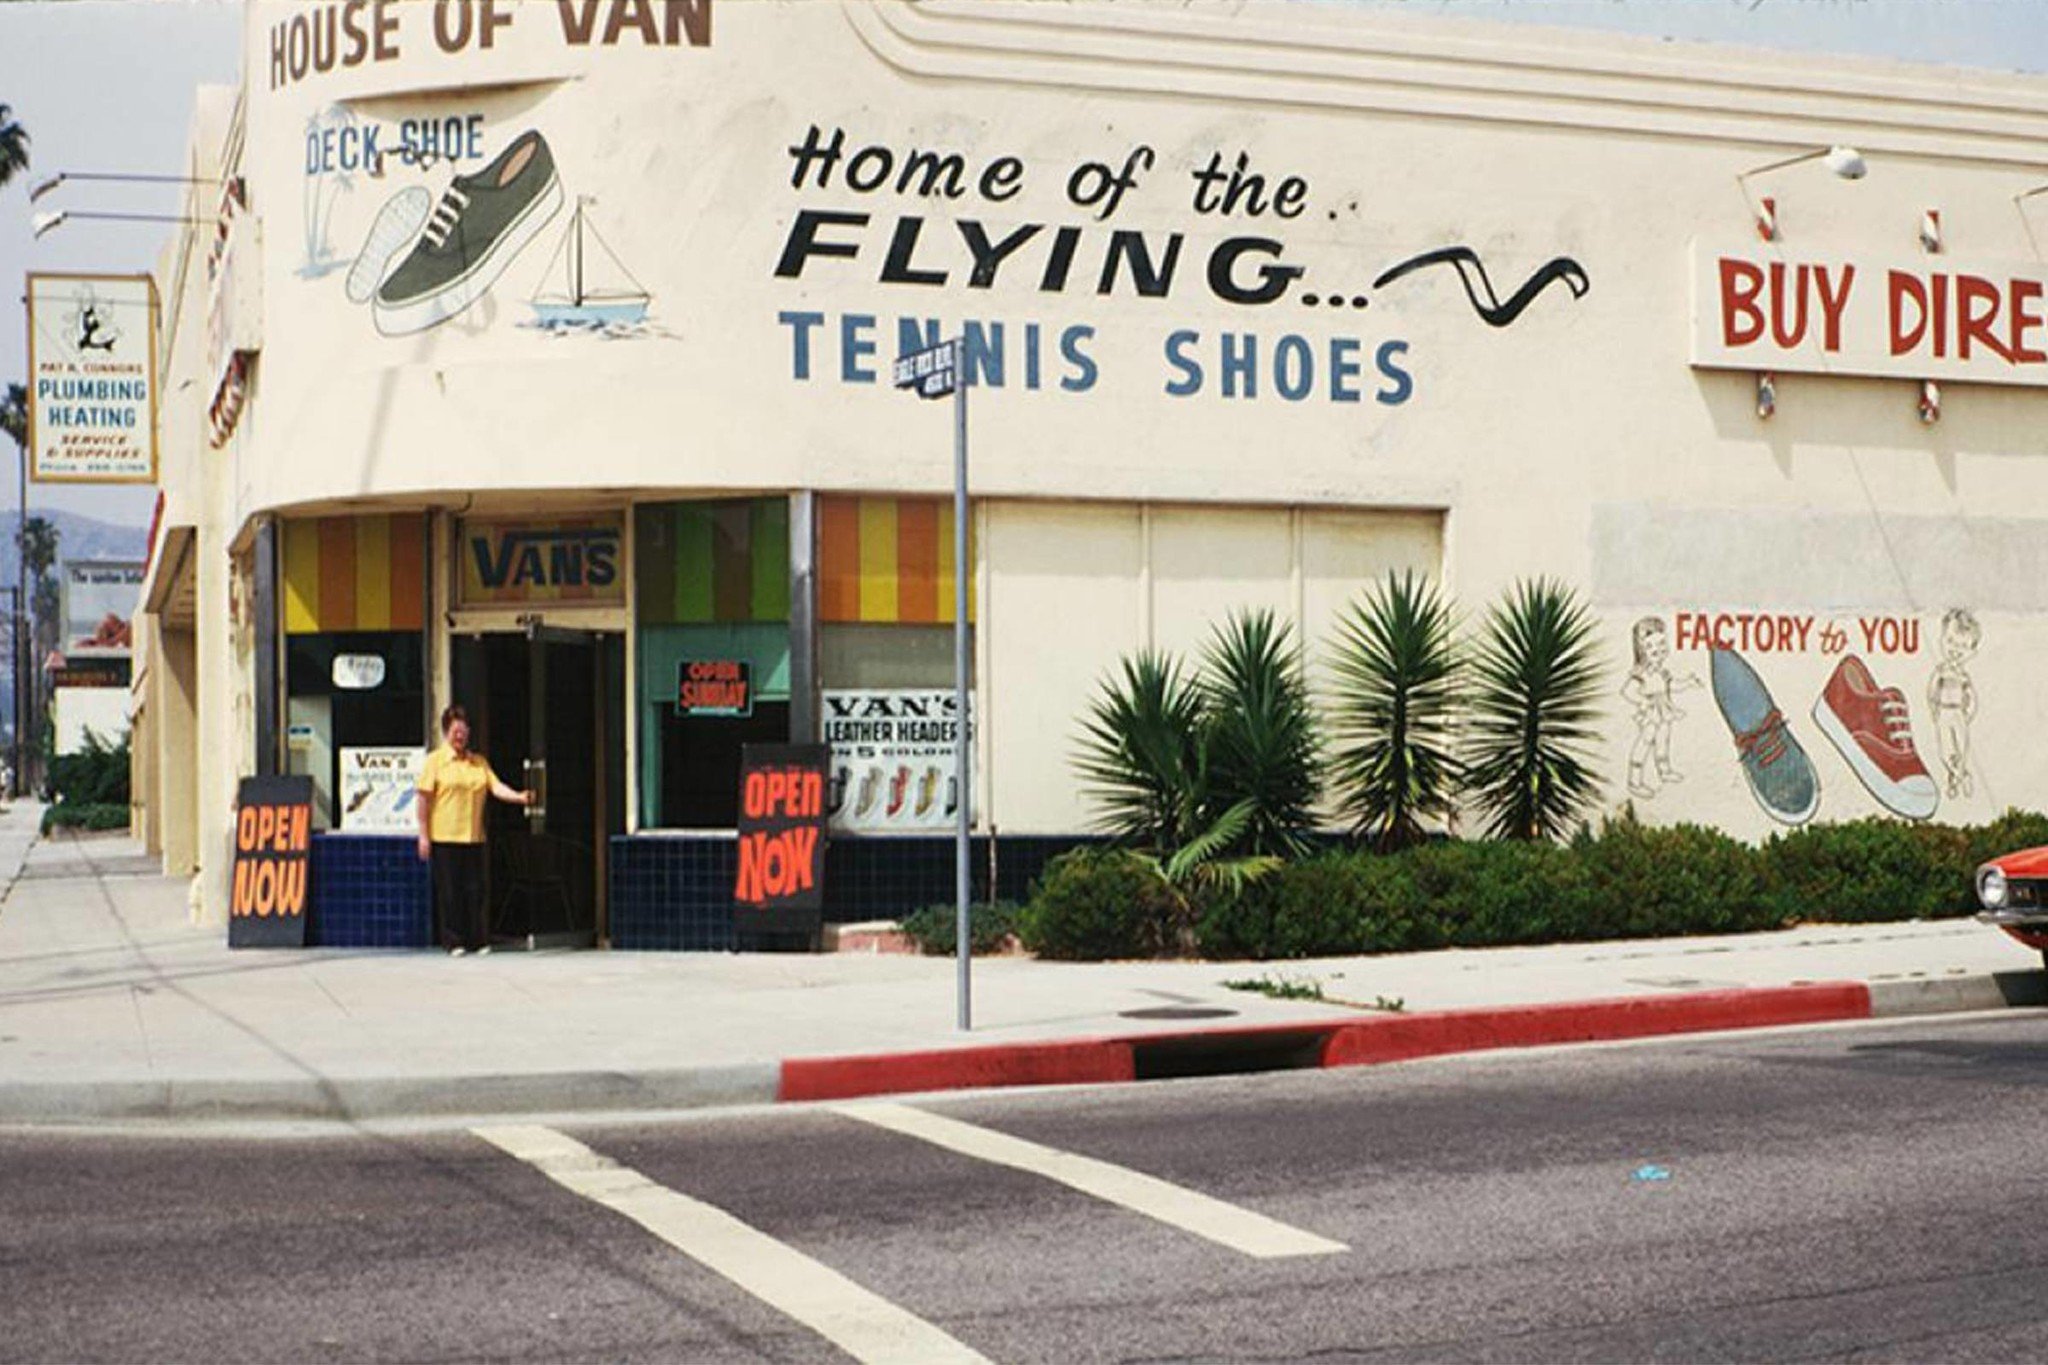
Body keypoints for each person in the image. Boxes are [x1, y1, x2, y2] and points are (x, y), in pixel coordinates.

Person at [415, 704, 531, 956]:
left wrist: (520, 797)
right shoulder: (435, 762)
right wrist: (423, 835)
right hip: (445, 837)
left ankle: (477, 939)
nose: (460, 736)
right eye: (455, 731)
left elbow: (496, 787)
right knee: (450, 892)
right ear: (447, 732)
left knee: (475, 890)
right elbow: (423, 799)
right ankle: (453, 940)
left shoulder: (479, 763)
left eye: (464, 730)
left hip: (473, 836)